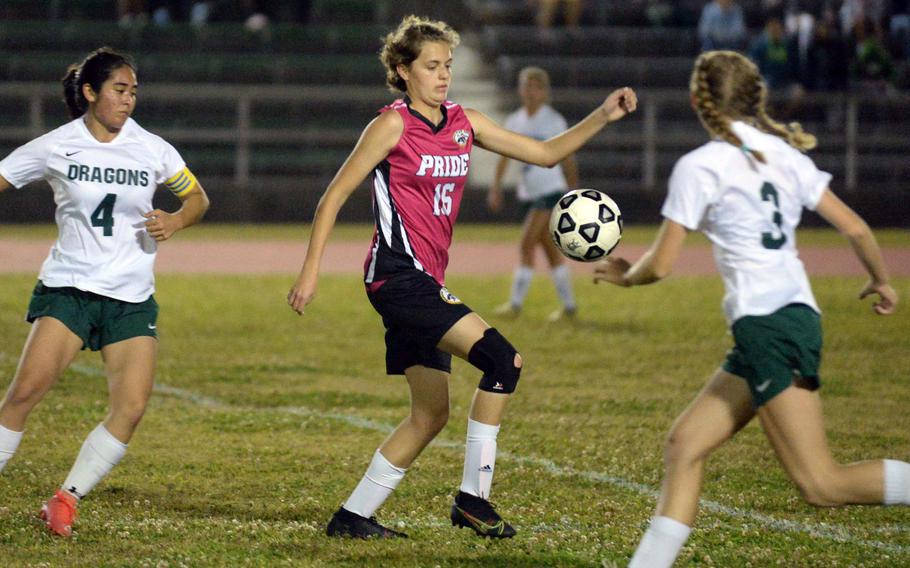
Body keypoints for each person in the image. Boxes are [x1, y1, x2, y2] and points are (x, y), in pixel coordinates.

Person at [287, 15, 636, 539]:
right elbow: (332, 197)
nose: (443, 75)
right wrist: (310, 272)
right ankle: (473, 500)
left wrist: (602, 116)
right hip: (398, 278)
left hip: (422, 280)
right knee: (503, 360)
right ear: (404, 72)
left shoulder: (464, 122)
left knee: (430, 415)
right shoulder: (391, 125)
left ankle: (352, 517)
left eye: (447, 65)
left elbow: (543, 155)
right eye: (432, 66)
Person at [592, 50, 907, 568]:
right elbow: (855, 227)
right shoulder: (783, 155)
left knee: (821, 484)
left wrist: (628, 275)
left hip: (769, 325)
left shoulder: (700, 166)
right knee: (685, 444)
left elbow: (663, 263)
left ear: (698, 101)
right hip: (787, 318)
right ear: (755, 97)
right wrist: (881, 279)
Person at [0, 47, 210, 537]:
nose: (128, 100)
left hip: (131, 296)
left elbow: (197, 197)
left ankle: (65, 500)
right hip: (69, 289)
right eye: (119, 90)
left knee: (132, 408)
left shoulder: (152, 148)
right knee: (25, 394)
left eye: (133, 91)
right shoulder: (57, 146)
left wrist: (176, 219)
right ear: (90, 93)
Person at [488, 66, 579, 321]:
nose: (529, 91)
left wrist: (573, 193)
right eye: (525, 85)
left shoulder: (553, 120)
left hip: (550, 191)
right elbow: (504, 155)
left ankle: (515, 305)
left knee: (526, 243)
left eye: (535, 86)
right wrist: (496, 186)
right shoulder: (515, 120)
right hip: (530, 193)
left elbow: (568, 156)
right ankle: (569, 307)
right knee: (549, 250)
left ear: (544, 92)